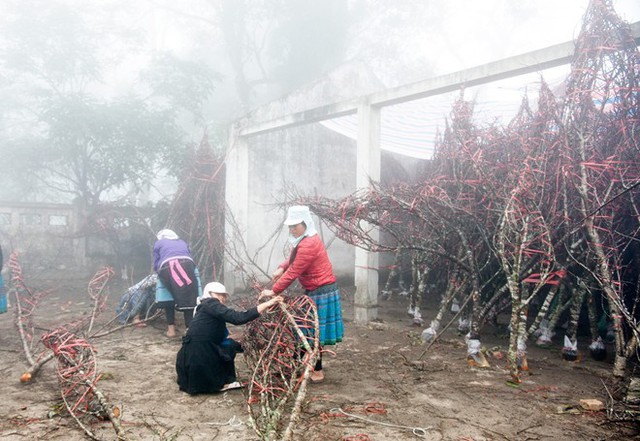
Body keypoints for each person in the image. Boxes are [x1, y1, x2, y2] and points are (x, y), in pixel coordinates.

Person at [260, 205, 344, 383]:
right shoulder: (304, 239)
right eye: (290, 226)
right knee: (306, 330)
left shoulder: (309, 243)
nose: (292, 229)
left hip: (321, 290)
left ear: (305, 223)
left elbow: (294, 271)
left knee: (312, 332)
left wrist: (274, 290)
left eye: (295, 226)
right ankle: (302, 366)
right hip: (315, 289)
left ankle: (317, 371)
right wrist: (281, 268)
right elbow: (293, 259)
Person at [176, 281, 283, 395]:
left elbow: (206, 328)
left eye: (224, 295)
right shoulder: (211, 303)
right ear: (210, 293)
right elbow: (238, 318)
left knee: (231, 343)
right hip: (203, 355)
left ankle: (222, 377)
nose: (223, 298)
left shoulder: (202, 307)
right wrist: (267, 304)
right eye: (220, 294)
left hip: (190, 358)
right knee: (230, 346)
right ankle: (226, 381)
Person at [153, 229, 200, 337]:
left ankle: (171, 330)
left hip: (167, 267)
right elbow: (189, 254)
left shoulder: (159, 243)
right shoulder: (182, 242)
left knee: (168, 296)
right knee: (189, 297)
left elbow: (156, 261)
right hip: (188, 265)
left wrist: (158, 272)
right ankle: (189, 329)